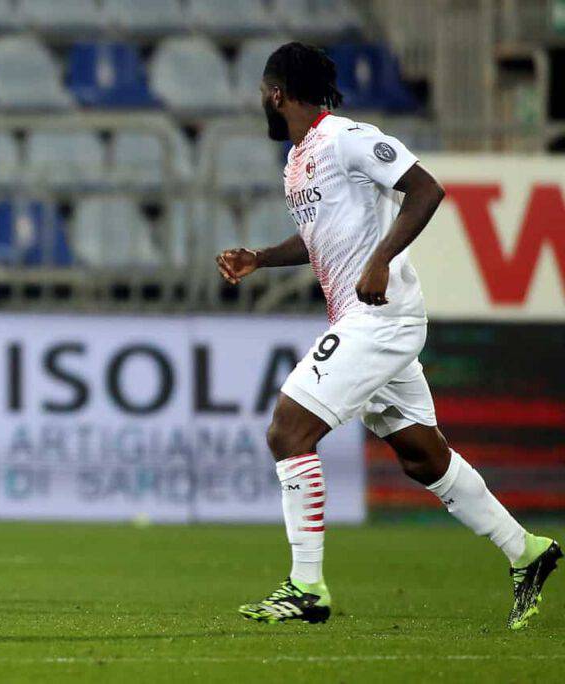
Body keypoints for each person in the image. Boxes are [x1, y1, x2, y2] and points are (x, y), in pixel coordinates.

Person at [216, 42, 560, 629]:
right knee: (423, 457)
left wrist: (380, 259)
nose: (262, 106)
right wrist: (262, 258)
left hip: (379, 316)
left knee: (287, 430)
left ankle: (307, 588)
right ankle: (527, 551)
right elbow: (319, 237)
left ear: (277, 94)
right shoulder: (298, 159)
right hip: (361, 318)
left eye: (262, 96)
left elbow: (425, 189)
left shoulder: (347, 138)